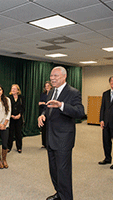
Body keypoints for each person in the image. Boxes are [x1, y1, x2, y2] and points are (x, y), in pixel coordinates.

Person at [38, 67, 85, 200]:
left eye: (56, 76)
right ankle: (59, 193)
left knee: (63, 172)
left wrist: (62, 105)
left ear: (64, 77)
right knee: (54, 170)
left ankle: (66, 197)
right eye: (51, 75)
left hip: (64, 139)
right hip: (50, 137)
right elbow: (48, 109)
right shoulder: (51, 91)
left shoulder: (73, 92)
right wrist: (42, 115)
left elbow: (80, 112)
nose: (52, 78)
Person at [98, 75, 113, 169]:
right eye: (111, 81)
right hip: (106, 122)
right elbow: (102, 107)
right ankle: (107, 158)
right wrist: (101, 120)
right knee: (106, 142)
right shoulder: (105, 93)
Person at [8, 84, 25, 153]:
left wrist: (19, 115)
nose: (13, 90)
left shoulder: (21, 98)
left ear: (18, 90)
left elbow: (23, 107)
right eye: (12, 88)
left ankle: (19, 147)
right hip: (11, 118)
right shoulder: (8, 98)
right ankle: (9, 147)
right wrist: (11, 115)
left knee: (18, 133)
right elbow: (7, 108)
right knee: (10, 133)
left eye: (15, 89)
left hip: (19, 118)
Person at [39, 81, 52, 148]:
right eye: (46, 86)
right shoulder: (43, 94)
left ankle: (48, 144)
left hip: (49, 113)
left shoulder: (52, 94)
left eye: (48, 86)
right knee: (43, 129)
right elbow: (40, 103)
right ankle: (44, 144)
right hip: (42, 112)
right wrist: (44, 103)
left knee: (48, 129)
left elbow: (49, 104)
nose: (47, 87)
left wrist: (44, 103)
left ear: (51, 86)